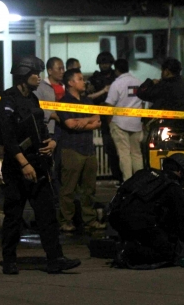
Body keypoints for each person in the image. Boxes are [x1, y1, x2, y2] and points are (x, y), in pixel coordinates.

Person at [0, 56, 80, 275]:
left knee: (46, 214)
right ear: (24, 75)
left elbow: (39, 127)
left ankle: (55, 259)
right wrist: (24, 164)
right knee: (14, 215)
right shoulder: (8, 100)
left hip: (37, 162)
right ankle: (9, 260)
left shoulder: (32, 99)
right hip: (17, 167)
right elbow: (7, 137)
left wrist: (51, 142)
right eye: (36, 74)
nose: (39, 78)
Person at [109, 153, 184, 269]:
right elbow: (181, 220)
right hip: (139, 223)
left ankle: (127, 243)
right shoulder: (173, 187)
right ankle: (128, 253)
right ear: (181, 171)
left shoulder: (145, 173)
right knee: (168, 253)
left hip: (116, 218)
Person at [57, 68, 106, 232]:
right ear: (70, 83)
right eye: (79, 79)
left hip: (88, 149)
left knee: (89, 189)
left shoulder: (87, 102)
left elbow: (98, 121)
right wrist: (89, 120)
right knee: (68, 189)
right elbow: (70, 125)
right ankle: (66, 221)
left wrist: (83, 120)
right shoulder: (64, 102)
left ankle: (89, 219)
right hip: (72, 149)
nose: (83, 82)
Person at [104, 59, 144, 182]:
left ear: (116, 70)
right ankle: (139, 182)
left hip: (120, 123)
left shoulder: (117, 84)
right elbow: (144, 103)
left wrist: (109, 122)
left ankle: (128, 182)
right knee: (137, 154)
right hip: (136, 123)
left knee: (124, 154)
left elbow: (109, 105)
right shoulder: (139, 82)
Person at [87, 51, 123, 184]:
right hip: (102, 117)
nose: (104, 65)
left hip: (117, 116)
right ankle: (117, 176)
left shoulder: (117, 77)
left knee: (122, 148)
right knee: (110, 147)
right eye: (102, 63)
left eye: (106, 63)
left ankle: (122, 176)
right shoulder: (95, 78)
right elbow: (88, 93)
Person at [34, 57, 65, 194]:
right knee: (51, 166)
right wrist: (52, 115)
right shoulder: (40, 88)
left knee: (63, 167)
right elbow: (36, 108)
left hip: (65, 131)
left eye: (63, 68)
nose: (62, 71)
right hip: (50, 130)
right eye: (59, 68)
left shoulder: (65, 87)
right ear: (50, 70)